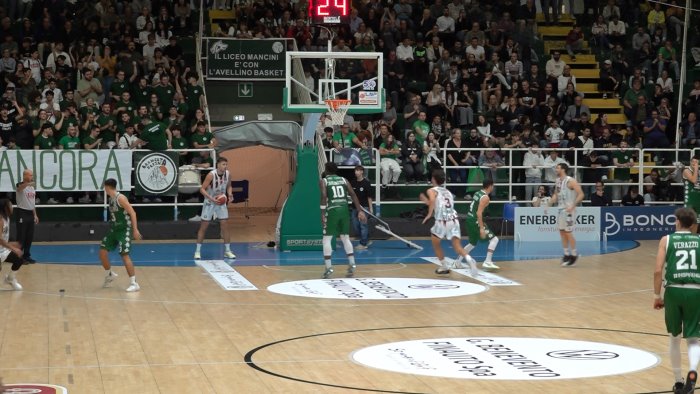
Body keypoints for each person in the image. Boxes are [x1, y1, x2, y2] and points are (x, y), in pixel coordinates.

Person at [653, 207, 700, 394]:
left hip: (673, 290)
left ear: (678, 222)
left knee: (674, 337)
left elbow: (658, 270)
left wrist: (657, 296)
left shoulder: (667, 239)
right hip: (695, 290)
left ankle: (678, 381)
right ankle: (692, 372)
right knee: (694, 339)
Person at [420, 169, 477, 275]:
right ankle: (470, 260)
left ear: (433, 179)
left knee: (436, 243)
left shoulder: (431, 190)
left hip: (442, 221)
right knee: (457, 246)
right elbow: (438, 203)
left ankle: (444, 266)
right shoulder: (448, 192)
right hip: (454, 219)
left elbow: (433, 201)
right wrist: (428, 202)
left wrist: (429, 214)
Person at [320, 162, 366, 279]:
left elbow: (324, 196)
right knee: (345, 237)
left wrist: (323, 212)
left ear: (326, 170)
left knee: (327, 239)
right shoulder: (344, 180)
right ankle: (352, 263)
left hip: (333, 210)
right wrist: (360, 210)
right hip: (345, 210)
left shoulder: (324, 181)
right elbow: (353, 195)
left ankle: (329, 268)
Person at [100, 179, 142, 292]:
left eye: (104, 187)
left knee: (124, 254)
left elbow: (133, 212)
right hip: (114, 229)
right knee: (102, 251)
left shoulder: (121, 198)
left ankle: (134, 283)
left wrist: (135, 229)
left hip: (124, 230)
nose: (104, 189)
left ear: (108, 187)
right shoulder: (111, 199)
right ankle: (109, 274)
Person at [454, 179, 500, 271]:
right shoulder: (485, 197)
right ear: (490, 186)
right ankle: (488, 261)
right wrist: (482, 228)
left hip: (469, 219)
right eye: (493, 186)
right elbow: (479, 213)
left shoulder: (477, 193)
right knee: (494, 239)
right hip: (475, 220)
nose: (493, 187)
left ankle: (457, 262)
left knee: (472, 243)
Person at [194, 157, 235, 260]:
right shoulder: (211, 175)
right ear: (218, 165)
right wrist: (211, 198)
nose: (225, 166)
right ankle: (197, 251)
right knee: (204, 226)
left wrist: (230, 194)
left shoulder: (228, 174)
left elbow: (229, 186)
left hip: (221, 202)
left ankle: (228, 251)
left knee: (225, 225)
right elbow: (202, 189)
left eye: (226, 164)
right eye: (223, 164)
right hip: (210, 202)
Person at [548, 162, 584, 266]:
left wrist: (573, 205)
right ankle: (566, 254)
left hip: (569, 211)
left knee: (568, 233)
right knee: (562, 232)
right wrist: (549, 203)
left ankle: (574, 255)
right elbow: (556, 194)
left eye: (558, 168)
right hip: (560, 210)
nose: (556, 170)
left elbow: (581, 194)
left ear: (563, 169)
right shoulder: (558, 181)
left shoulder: (571, 181)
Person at [0, 198, 25, 290]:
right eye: (10, 205)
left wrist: (13, 243)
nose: (12, 207)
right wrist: (13, 248)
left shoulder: (7, 218)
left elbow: (3, 238)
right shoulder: (0, 220)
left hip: (3, 250)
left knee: (19, 259)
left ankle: (10, 279)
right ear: (5, 207)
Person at [15, 169, 38, 263]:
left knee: (29, 236)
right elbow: (20, 188)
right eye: (30, 175)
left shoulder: (32, 188)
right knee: (21, 236)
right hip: (22, 213)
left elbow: (32, 203)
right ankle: (18, 258)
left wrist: (35, 215)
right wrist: (28, 184)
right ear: (25, 175)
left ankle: (26, 255)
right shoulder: (19, 185)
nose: (32, 177)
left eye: (32, 175)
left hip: (30, 213)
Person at [350, 165, 373, 250]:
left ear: (362, 172)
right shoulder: (352, 183)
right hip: (354, 207)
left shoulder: (366, 183)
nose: (356, 172)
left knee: (363, 225)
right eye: (355, 170)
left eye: (358, 170)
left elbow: (369, 197)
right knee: (355, 226)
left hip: (364, 208)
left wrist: (371, 209)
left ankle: (363, 244)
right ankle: (367, 239)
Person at [683, 155, 700, 232]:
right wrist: (696, 168)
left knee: (696, 222)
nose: (694, 163)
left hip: (698, 200)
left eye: (696, 162)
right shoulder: (686, 171)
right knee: (688, 222)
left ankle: (693, 241)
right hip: (689, 200)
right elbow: (694, 180)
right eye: (693, 161)